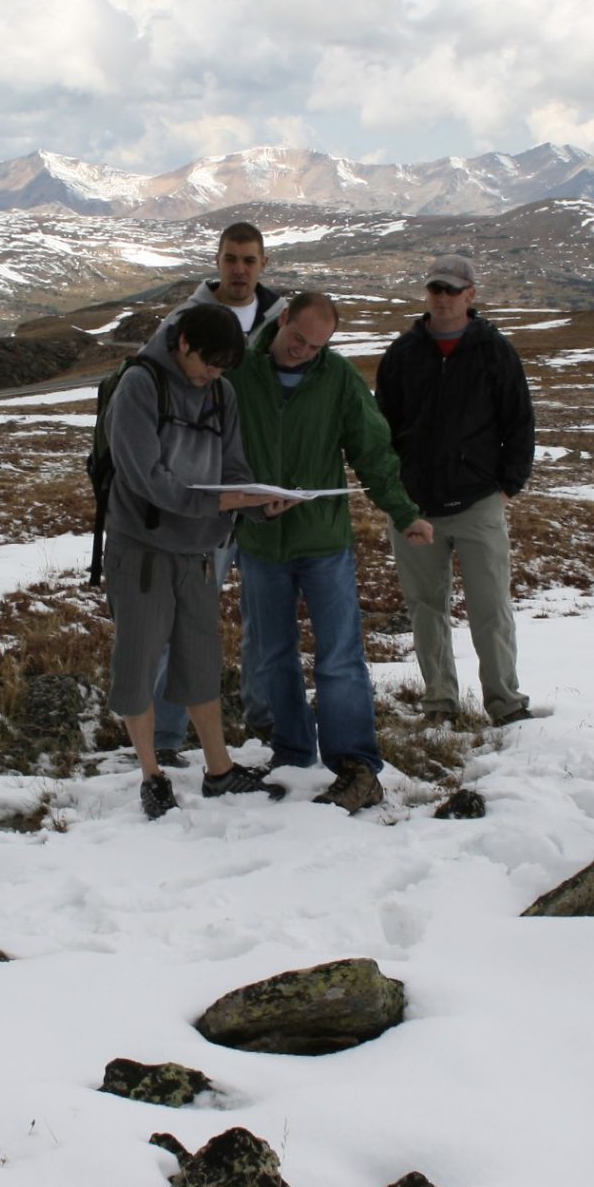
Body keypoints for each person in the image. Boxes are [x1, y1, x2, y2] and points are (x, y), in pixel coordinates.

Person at [226, 293, 433, 813]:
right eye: (298, 340)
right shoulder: (239, 375)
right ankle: (293, 757)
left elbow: (371, 448)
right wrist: (249, 507)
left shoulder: (337, 377)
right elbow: (216, 452)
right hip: (260, 544)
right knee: (272, 655)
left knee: (340, 658)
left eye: (317, 346)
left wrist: (404, 512)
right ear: (283, 321)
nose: (303, 352)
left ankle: (355, 765)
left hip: (323, 544)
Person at [103, 302, 295, 819]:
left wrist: (257, 502)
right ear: (183, 343)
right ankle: (151, 774)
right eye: (210, 363)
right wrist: (216, 503)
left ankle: (219, 769)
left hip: (198, 550)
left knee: (200, 660)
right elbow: (144, 476)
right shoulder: (140, 386)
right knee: (138, 661)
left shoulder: (222, 392)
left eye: (225, 367)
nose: (215, 374)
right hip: (141, 547)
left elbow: (233, 465)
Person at [375, 254, 542, 726]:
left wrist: (506, 487)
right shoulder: (403, 352)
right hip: (414, 507)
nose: (443, 298)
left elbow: (519, 420)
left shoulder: (494, 350)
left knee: (491, 607)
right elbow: (381, 428)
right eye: (436, 289)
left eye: (452, 290)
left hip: (478, 502)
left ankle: (505, 702)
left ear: (471, 294)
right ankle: (440, 701)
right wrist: (395, 495)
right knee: (426, 609)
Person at [153, 221, 287, 763]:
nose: (239, 269)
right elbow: (152, 386)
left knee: (266, 612)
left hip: (263, 491)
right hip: (206, 490)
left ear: (263, 263)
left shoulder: (281, 322)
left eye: (249, 260)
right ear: (218, 260)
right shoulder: (183, 321)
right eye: (231, 259)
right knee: (186, 614)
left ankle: (265, 718)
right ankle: (163, 736)